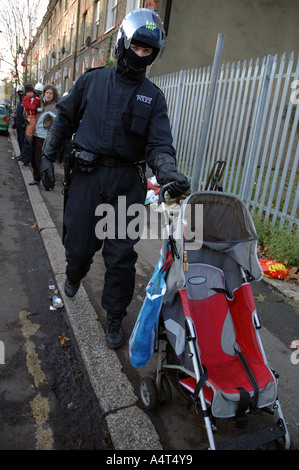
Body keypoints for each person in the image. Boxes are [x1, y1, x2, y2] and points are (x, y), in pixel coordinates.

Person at [41, 8, 190, 349]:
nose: (140, 55)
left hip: (126, 184)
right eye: (136, 46)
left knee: (121, 258)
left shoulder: (153, 97)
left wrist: (167, 172)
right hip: (87, 178)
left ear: (154, 53)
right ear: (123, 43)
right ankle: (73, 272)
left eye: (147, 50)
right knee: (78, 247)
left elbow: (160, 145)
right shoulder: (91, 81)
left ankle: (114, 316)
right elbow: (64, 118)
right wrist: (49, 156)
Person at [29, 84, 58, 186]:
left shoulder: (53, 107)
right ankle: (36, 178)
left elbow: (56, 121)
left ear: (54, 95)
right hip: (35, 134)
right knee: (33, 158)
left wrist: (50, 131)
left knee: (39, 160)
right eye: (47, 93)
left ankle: (46, 181)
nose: (49, 95)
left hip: (43, 136)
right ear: (44, 93)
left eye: (51, 93)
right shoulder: (40, 103)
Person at [21, 84, 41, 166]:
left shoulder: (36, 98)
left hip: (33, 116)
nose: (30, 94)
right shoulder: (26, 99)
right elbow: (27, 106)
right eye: (28, 92)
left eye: (31, 92)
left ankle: (26, 159)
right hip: (31, 116)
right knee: (31, 127)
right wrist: (35, 109)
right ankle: (29, 136)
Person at [13, 85, 26, 158]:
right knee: (19, 139)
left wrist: (24, 123)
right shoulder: (19, 102)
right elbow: (18, 114)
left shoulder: (24, 101)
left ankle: (23, 155)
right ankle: (21, 154)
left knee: (22, 140)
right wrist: (15, 122)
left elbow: (24, 114)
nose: (20, 93)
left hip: (22, 124)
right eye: (19, 92)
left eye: (22, 92)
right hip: (18, 123)